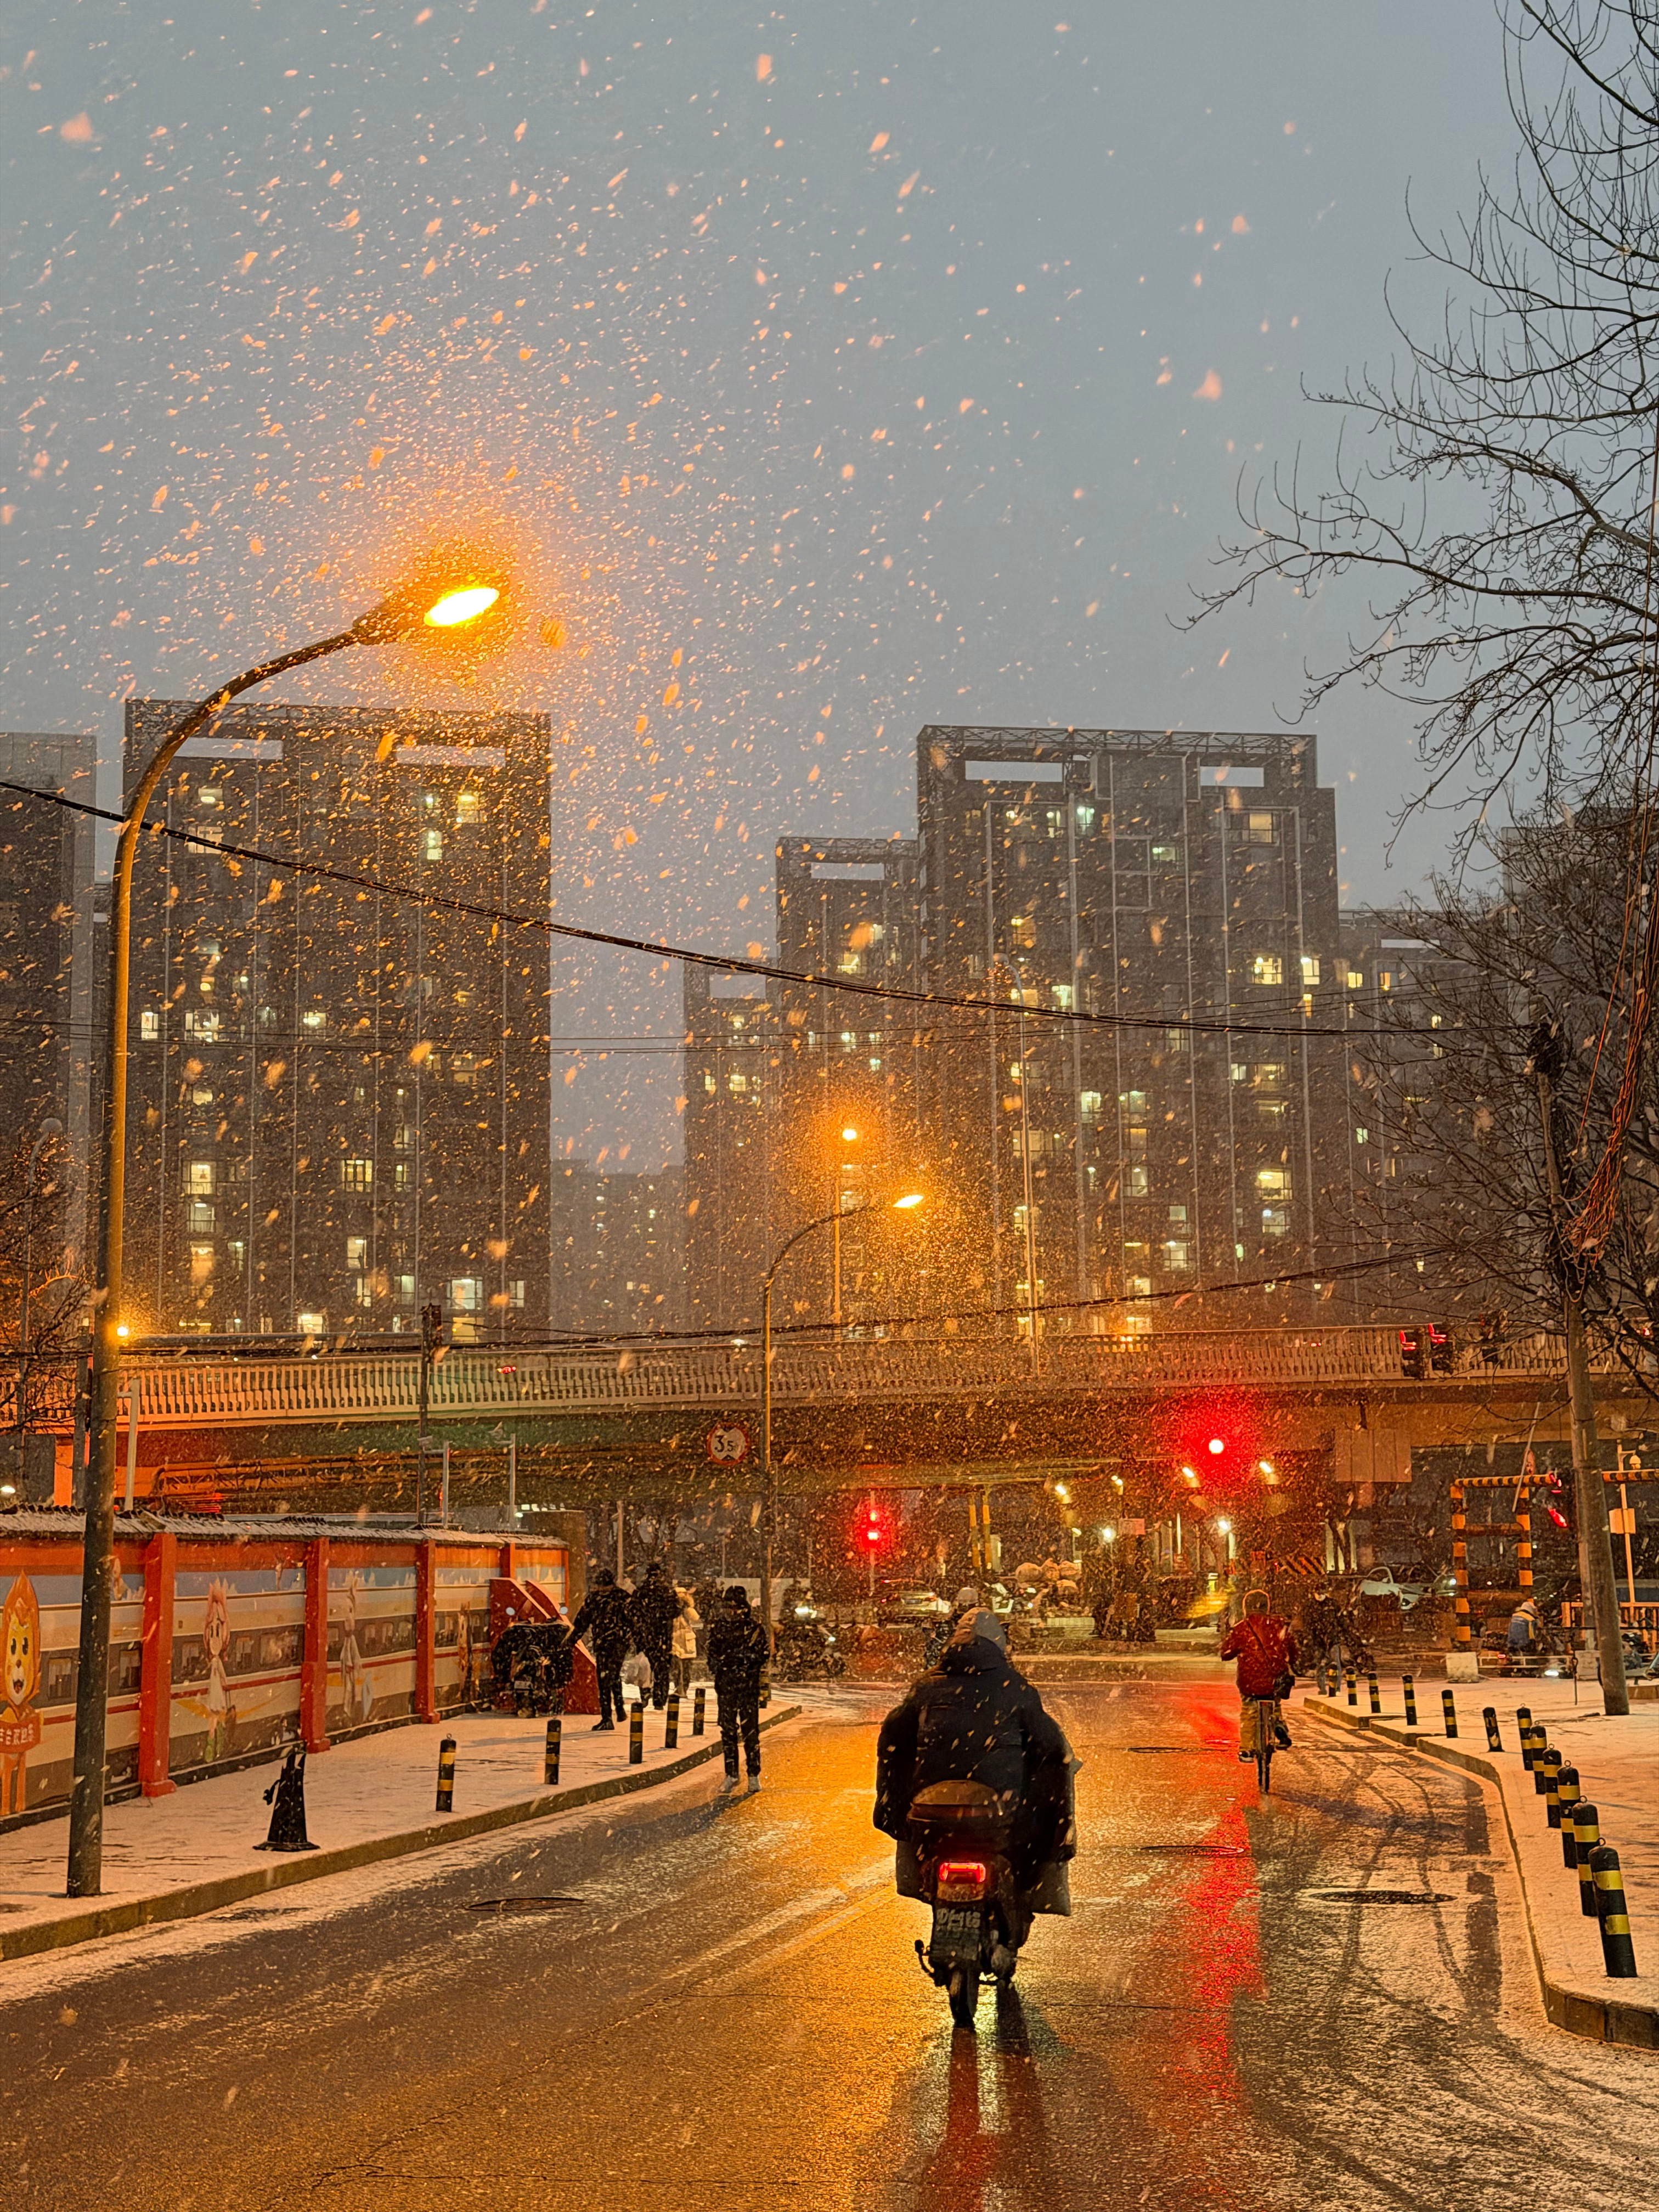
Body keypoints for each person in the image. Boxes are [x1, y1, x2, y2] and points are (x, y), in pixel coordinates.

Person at [873, 1609, 1074, 1953]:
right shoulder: (1014, 1687)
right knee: (1036, 1827)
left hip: (931, 1809)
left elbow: (893, 1741)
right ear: (999, 1646)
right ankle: (1022, 1896)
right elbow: (1052, 1748)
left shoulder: (927, 1687)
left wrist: (893, 1802)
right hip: (996, 1808)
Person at [1218, 1589, 1300, 1758]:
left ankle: (1247, 1749)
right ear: (1267, 1607)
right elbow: (1292, 1650)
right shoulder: (1278, 1625)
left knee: (1249, 1711)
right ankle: (1278, 1723)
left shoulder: (1241, 1628)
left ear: (1246, 1608)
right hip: (1274, 1680)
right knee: (1275, 1701)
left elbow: (1225, 1653)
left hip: (1250, 1682)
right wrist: (1291, 1660)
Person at [707, 1583, 768, 1796]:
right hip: (726, 1688)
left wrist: (743, 1661)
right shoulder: (719, 1628)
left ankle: (754, 1774)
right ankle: (731, 1773)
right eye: (728, 1608)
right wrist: (721, 1665)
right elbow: (712, 1655)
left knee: (750, 1733)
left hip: (747, 1688)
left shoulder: (753, 1629)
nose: (731, 1612)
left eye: (735, 1608)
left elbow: (762, 1655)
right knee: (728, 1731)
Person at [565, 1567, 633, 1730]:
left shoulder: (595, 1600)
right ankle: (619, 1707)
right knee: (613, 1674)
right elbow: (634, 1621)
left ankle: (607, 1718)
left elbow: (582, 1622)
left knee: (604, 1679)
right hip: (619, 1643)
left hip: (605, 1643)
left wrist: (570, 1641)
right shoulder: (623, 1597)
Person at [629, 1561, 679, 1711]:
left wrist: (639, 1632)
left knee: (645, 1668)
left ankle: (644, 1694)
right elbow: (675, 1611)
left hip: (645, 1636)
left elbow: (633, 1612)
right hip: (663, 1636)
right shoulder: (667, 1591)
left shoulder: (641, 1591)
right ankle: (659, 1698)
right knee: (662, 1669)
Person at [670, 1585, 701, 1698]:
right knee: (677, 1666)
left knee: (686, 1667)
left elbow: (697, 1620)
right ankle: (679, 1687)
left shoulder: (688, 1610)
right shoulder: (672, 1611)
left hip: (686, 1640)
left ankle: (683, 1688)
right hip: (676, 1639)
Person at [1507, 1595, 1539, 1660]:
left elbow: (1510, 1629)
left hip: (1512, 1642)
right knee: (1529, 1660)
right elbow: (1531, 1633)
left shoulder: (1514, 1616)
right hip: (1524, 1643)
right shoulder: (1530, 1619)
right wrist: (1533, 1642)